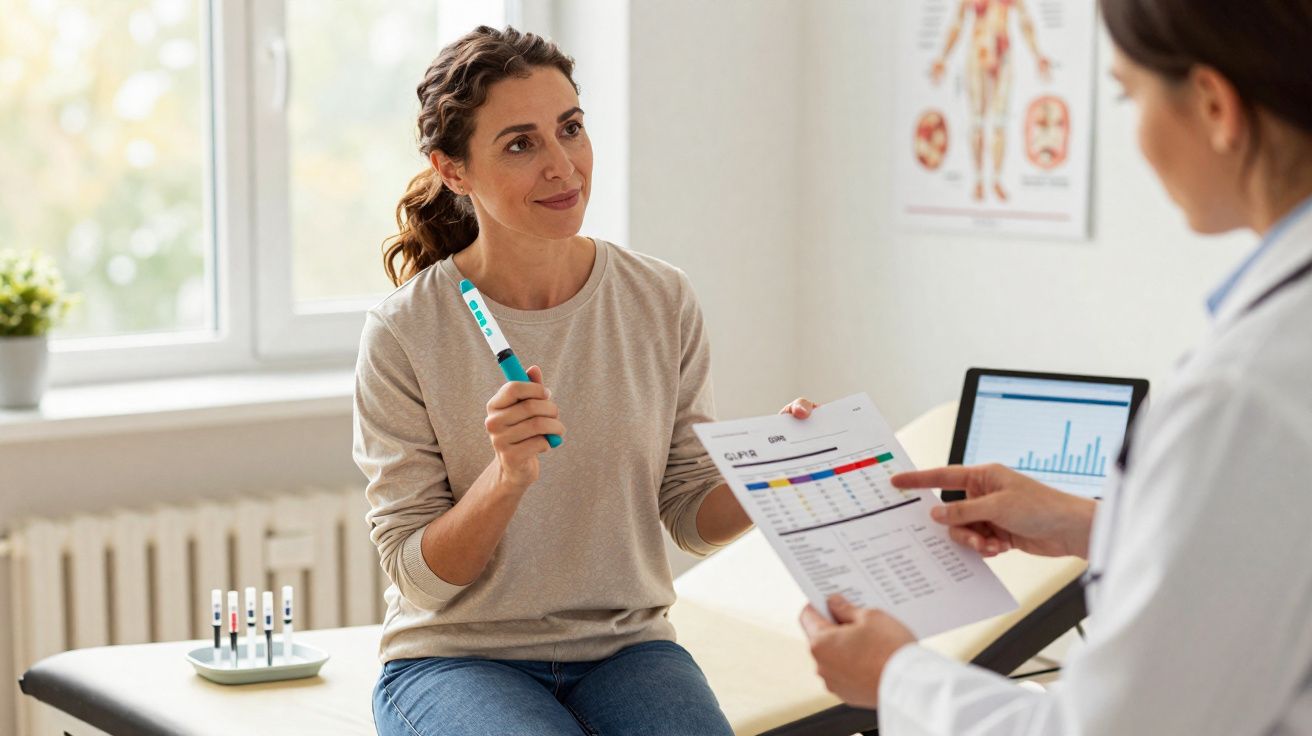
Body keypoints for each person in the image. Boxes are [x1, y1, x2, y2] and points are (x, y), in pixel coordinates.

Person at [800, 0, 1312, 732]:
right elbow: (1265, 553)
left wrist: (894, 677)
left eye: (1128, 95)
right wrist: (1092, 524)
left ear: (1214, 106)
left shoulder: (1242, 394)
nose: (1136, 136)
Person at [353, 25, 808, 736]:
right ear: (453, 171)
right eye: (520, 144)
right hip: (456, 657)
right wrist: (505, 479)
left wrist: (771, 476)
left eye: (570, 128)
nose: (563, 166)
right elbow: (418, 578)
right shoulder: (405, 332)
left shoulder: (660, 298)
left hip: (627, 649)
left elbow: (687, 514)